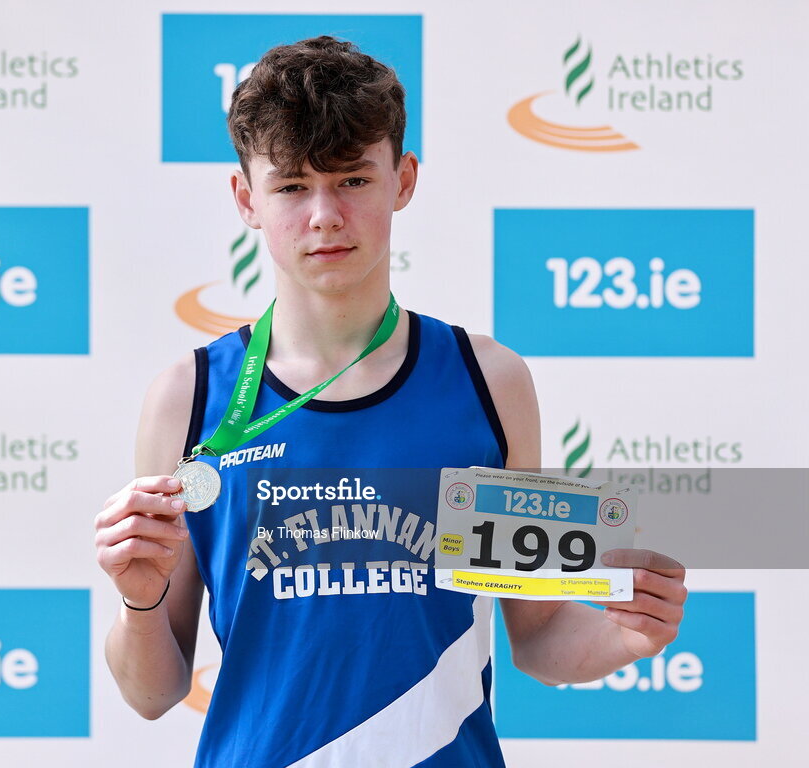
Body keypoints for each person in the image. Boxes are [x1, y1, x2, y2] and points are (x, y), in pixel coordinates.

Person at [94, 36, 687, 767]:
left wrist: (625, 637)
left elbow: (537, 635)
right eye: (290, 187)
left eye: (351, 180)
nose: (323, 215)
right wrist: (141, 599)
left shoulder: (486, 382)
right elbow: (152, 692)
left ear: (402, 180)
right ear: (246, 197)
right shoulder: (189, 398)